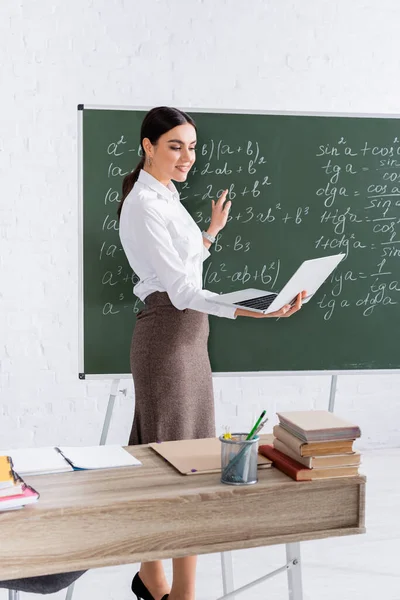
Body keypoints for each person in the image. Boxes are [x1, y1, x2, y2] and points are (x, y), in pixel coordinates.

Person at [118, 106, 305, 600]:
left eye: (192, 147)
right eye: (175, 146)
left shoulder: (166, 196)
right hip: (169, 335)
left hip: (186, 339)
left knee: (169, 460)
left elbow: (178, 266)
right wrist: (256, 311)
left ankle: (152, 577)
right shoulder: (144, 204)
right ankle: (182, 593)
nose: (187, 157)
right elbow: (179, 291)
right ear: (148, 146)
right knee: (185, 467)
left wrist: (209, 234)